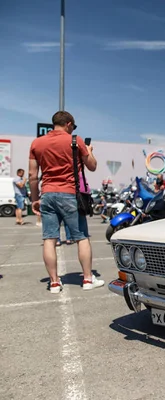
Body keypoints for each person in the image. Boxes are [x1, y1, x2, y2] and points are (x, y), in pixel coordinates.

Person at [28, 110, 104, 294]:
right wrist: (90, 151)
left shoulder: (37, 143)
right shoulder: (75, 141)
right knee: (82, 237)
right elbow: (92, 166)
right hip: (70, 194)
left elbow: (32, 175)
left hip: (47, 194)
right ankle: (87, 279)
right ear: (68, 123)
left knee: (49, 238)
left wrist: (35, 199)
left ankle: (54, 282)